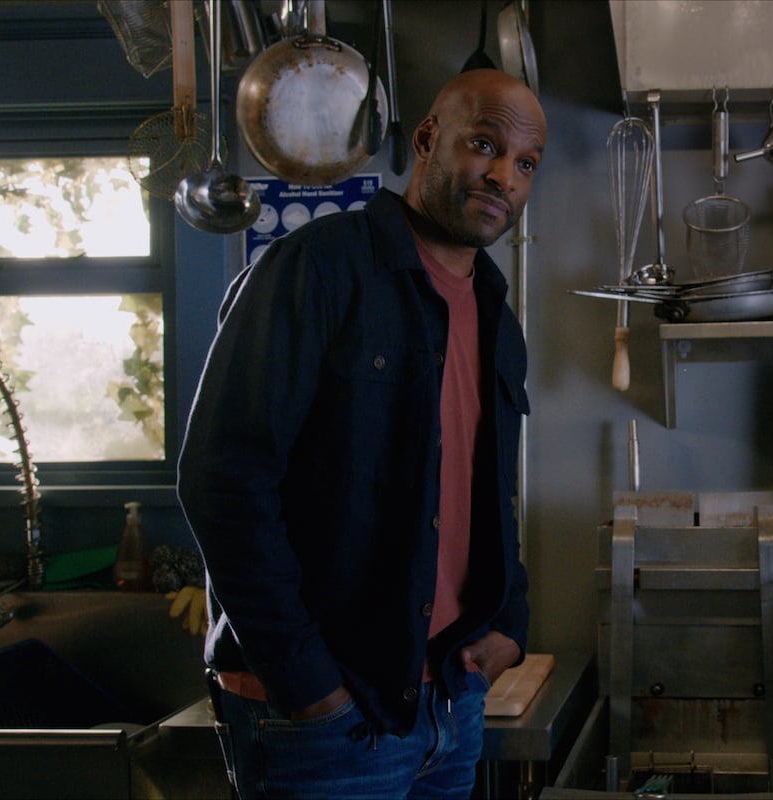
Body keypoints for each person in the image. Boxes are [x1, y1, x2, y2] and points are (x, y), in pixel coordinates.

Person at [177, 68, 547, 800]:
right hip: (324, 715)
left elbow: (488, 493)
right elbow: (225, 479)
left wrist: (511, 618)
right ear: (426, 141)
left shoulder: (497, 317)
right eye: (484, 144)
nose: (503, 175)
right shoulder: (314, 268)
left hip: (448, 701)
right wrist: (309, 683)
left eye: (525, 163)